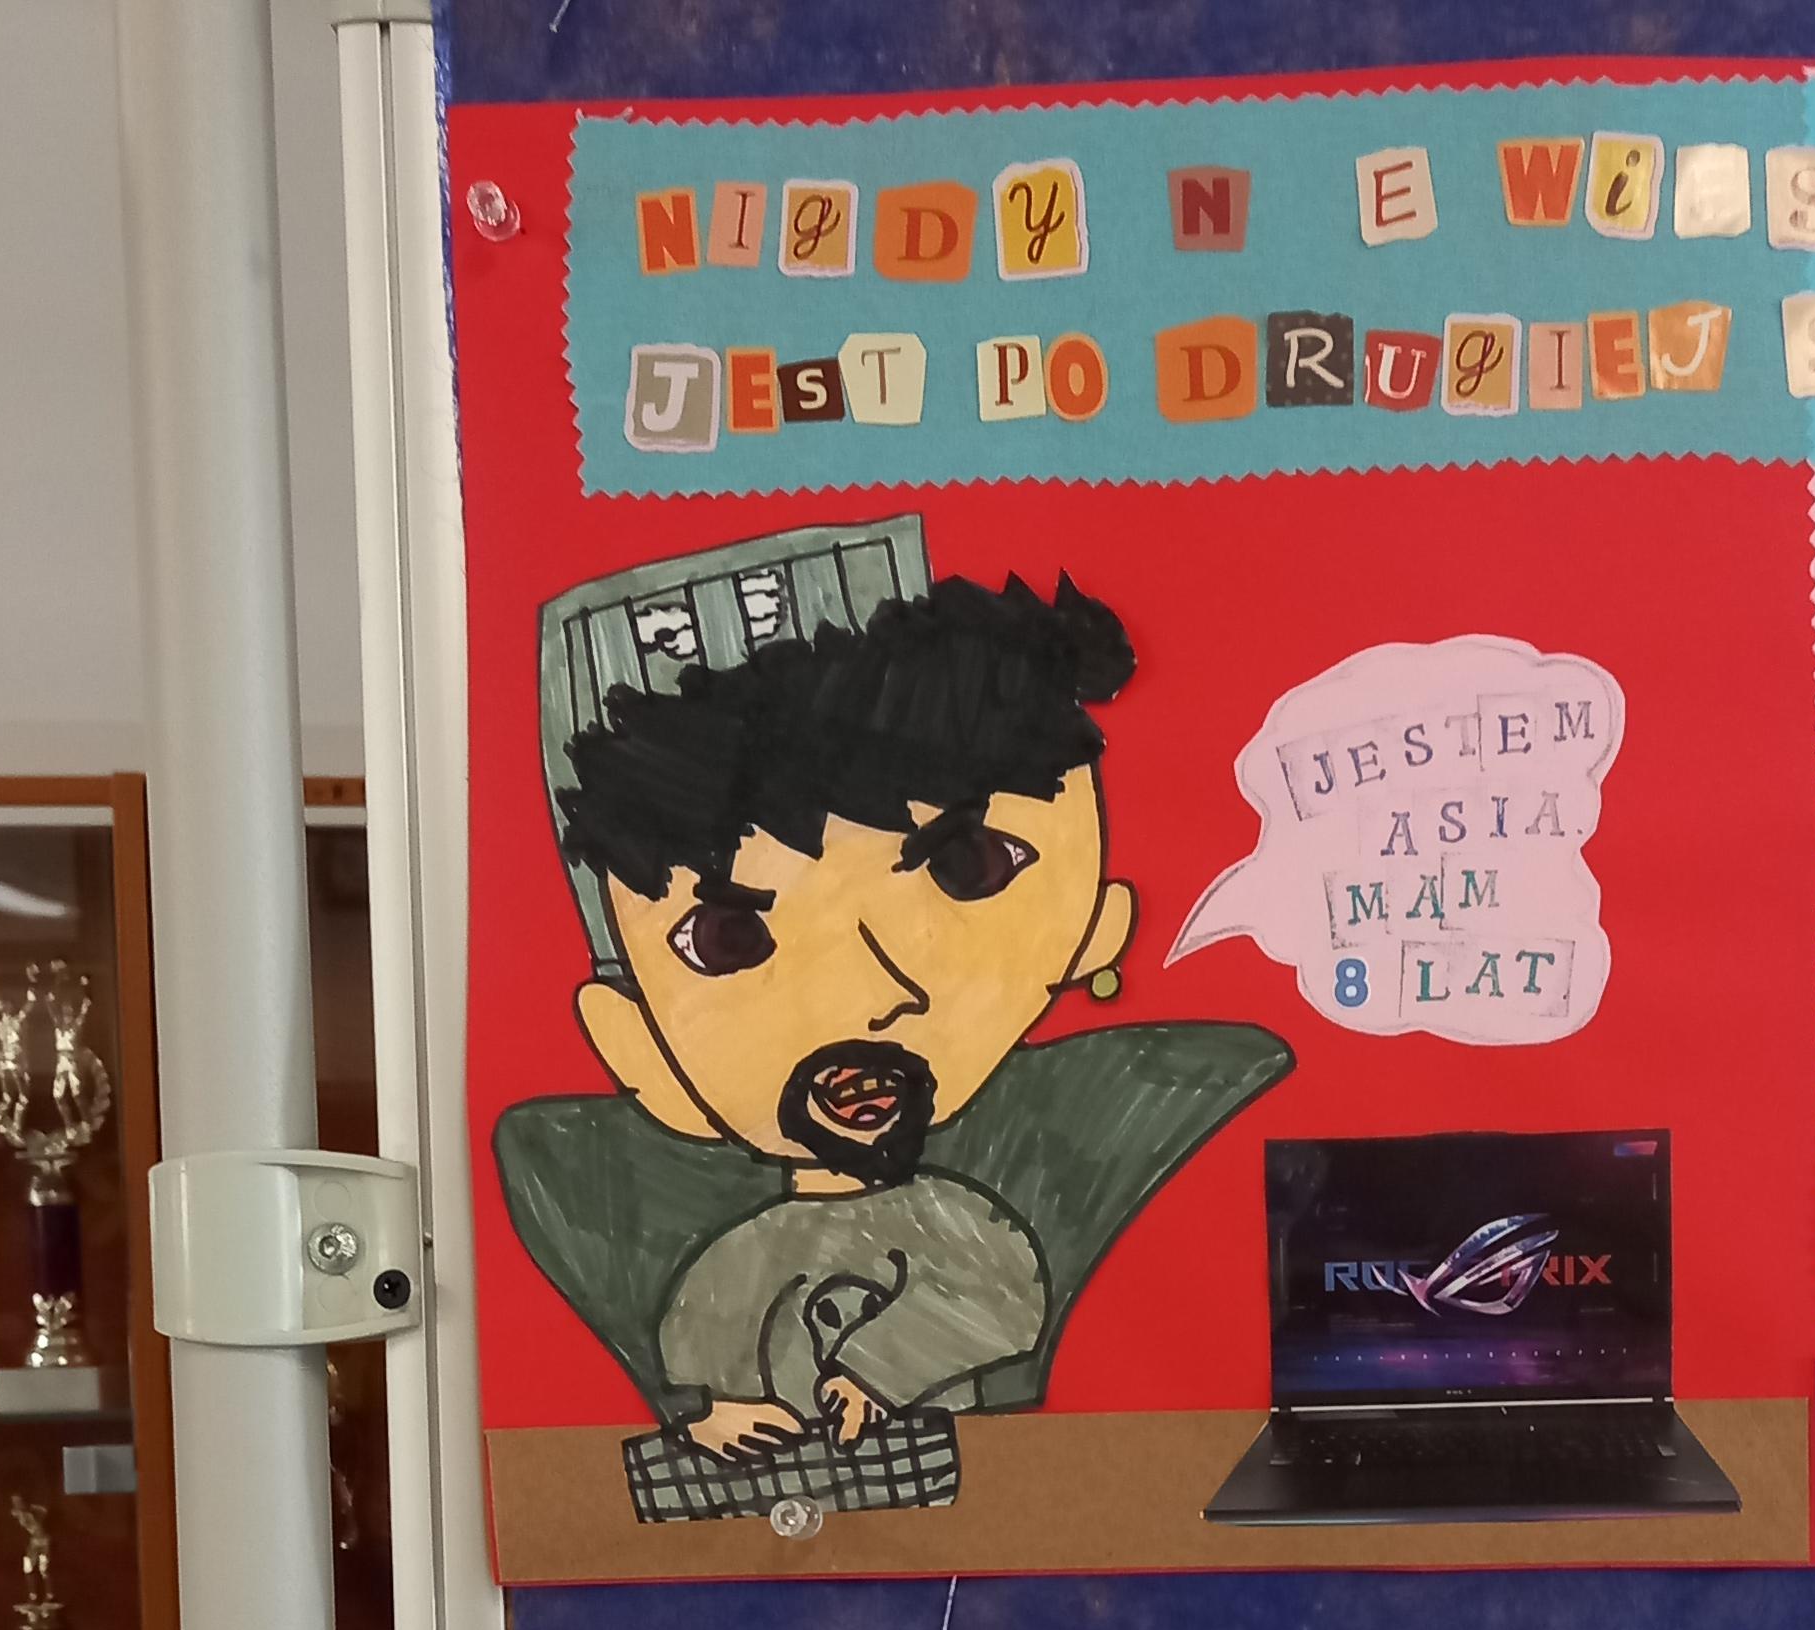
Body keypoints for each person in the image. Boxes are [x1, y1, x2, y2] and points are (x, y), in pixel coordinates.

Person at [493, 568, 1292, 1512]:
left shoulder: (983, 1210)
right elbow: (703, 1338)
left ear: (1095, 929)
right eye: (730, 937)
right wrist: (712, 1414)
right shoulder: (729, 1252)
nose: (874, 994)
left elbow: (997, 1300)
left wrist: (877, 1373)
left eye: (968, 865)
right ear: (636, 1050)